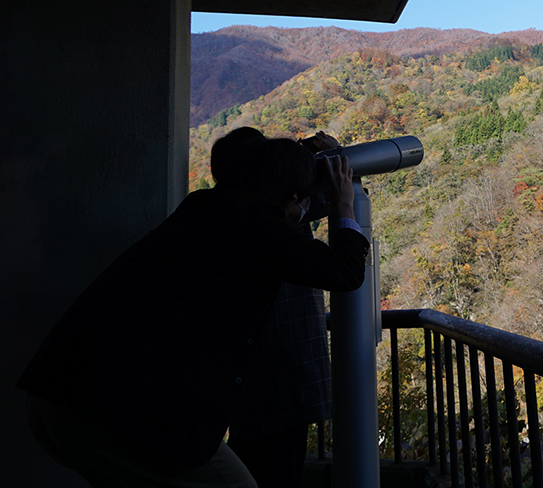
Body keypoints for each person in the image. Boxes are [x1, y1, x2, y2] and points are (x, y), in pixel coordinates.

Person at [18, 134, 366, 488]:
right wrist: (344, 206)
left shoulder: (205, 209)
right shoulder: (254, 225)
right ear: (291, 195)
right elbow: (345, 272)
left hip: (58, 397)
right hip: (111, 410)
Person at [222, 129, 341, 488]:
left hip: (255, 380)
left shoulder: (229, 212)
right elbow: (329, 198)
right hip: (282, 376)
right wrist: (333, 156)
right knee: (275, 472)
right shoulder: (267, 217)